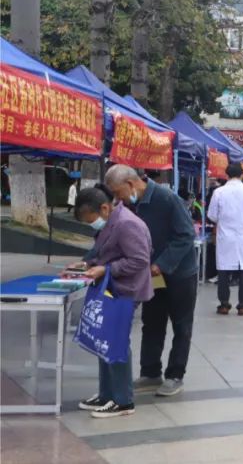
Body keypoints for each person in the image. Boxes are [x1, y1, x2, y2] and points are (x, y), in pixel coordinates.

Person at [103, 165, 197, 398]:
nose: (117, 199)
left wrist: (161, 264)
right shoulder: (129, 206)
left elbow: (186, 235)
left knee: (181, 325)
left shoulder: (167, 199)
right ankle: (150, 372)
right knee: (152, 321)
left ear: (130, 184)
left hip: (179, 273)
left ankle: (175, 374)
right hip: (150, 275)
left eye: (118, 193)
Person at [74, 185, 153, 418]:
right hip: (112, 288)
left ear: (104, 208)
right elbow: (106, 251)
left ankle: (123, 400)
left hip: (126, 290)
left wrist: (106, 269)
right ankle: (107, 394)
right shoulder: (111, 221)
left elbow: (139, 260)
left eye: (91, 220)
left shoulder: (127, 224)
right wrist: (88, 264)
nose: (92, 225)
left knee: (116, 342)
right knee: (104, 341)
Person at [207, 163, 243, 316]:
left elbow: (212, 215)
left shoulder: (218, 192)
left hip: (225, 237)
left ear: (226, 175)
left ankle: (224, 304)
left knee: (224, 270)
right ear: (241, 175)